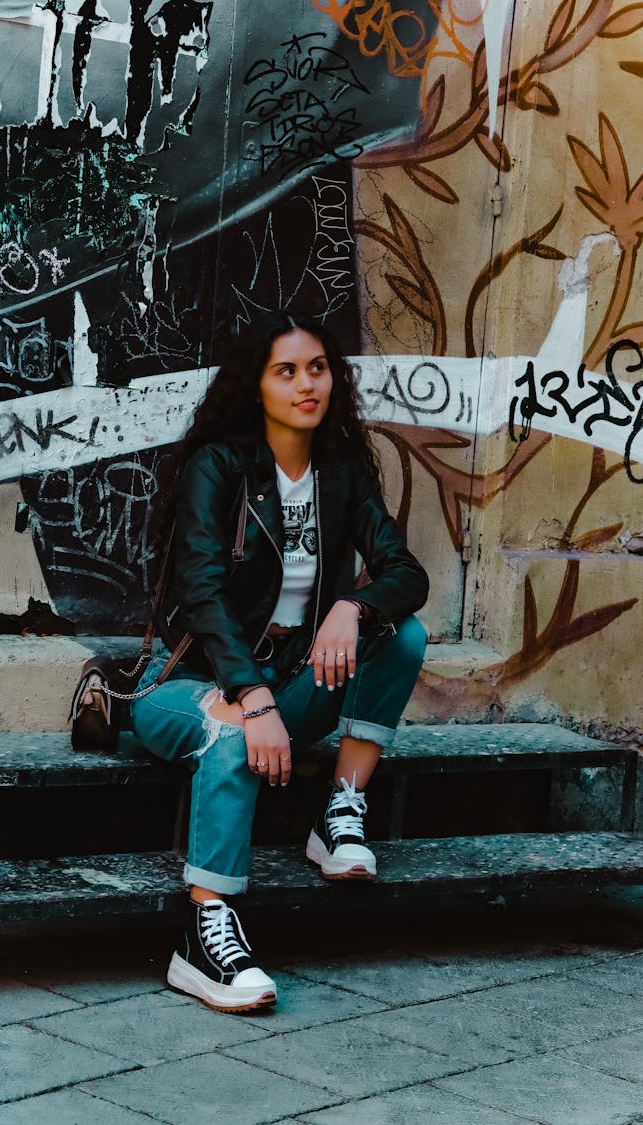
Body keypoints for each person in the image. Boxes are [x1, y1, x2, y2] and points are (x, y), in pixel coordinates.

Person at [130, 310, 429, 1013]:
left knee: (403, 635)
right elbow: (201, 592)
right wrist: (252, 696)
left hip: (290, 684)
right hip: (188, 684)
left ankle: (340, 814)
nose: (306, 384)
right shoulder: (220, 465)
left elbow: (404, 571)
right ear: (255, 383)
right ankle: (204, 934)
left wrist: (352, 607)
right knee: (230, 732)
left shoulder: (341, 474)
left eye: (318, 367)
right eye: (286, 370)